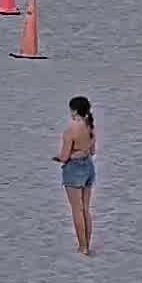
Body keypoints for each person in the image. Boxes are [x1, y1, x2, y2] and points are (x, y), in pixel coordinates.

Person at [52, 96, 96, 256]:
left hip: (74, 169)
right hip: (88, 167)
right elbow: (92, 151)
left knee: (76, 209)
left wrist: (59, 158)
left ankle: (82, 246)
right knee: (86, 209)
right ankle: (88, 244)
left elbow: (64, 156)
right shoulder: (90, 126)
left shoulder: (70, 129)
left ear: (75, 110)